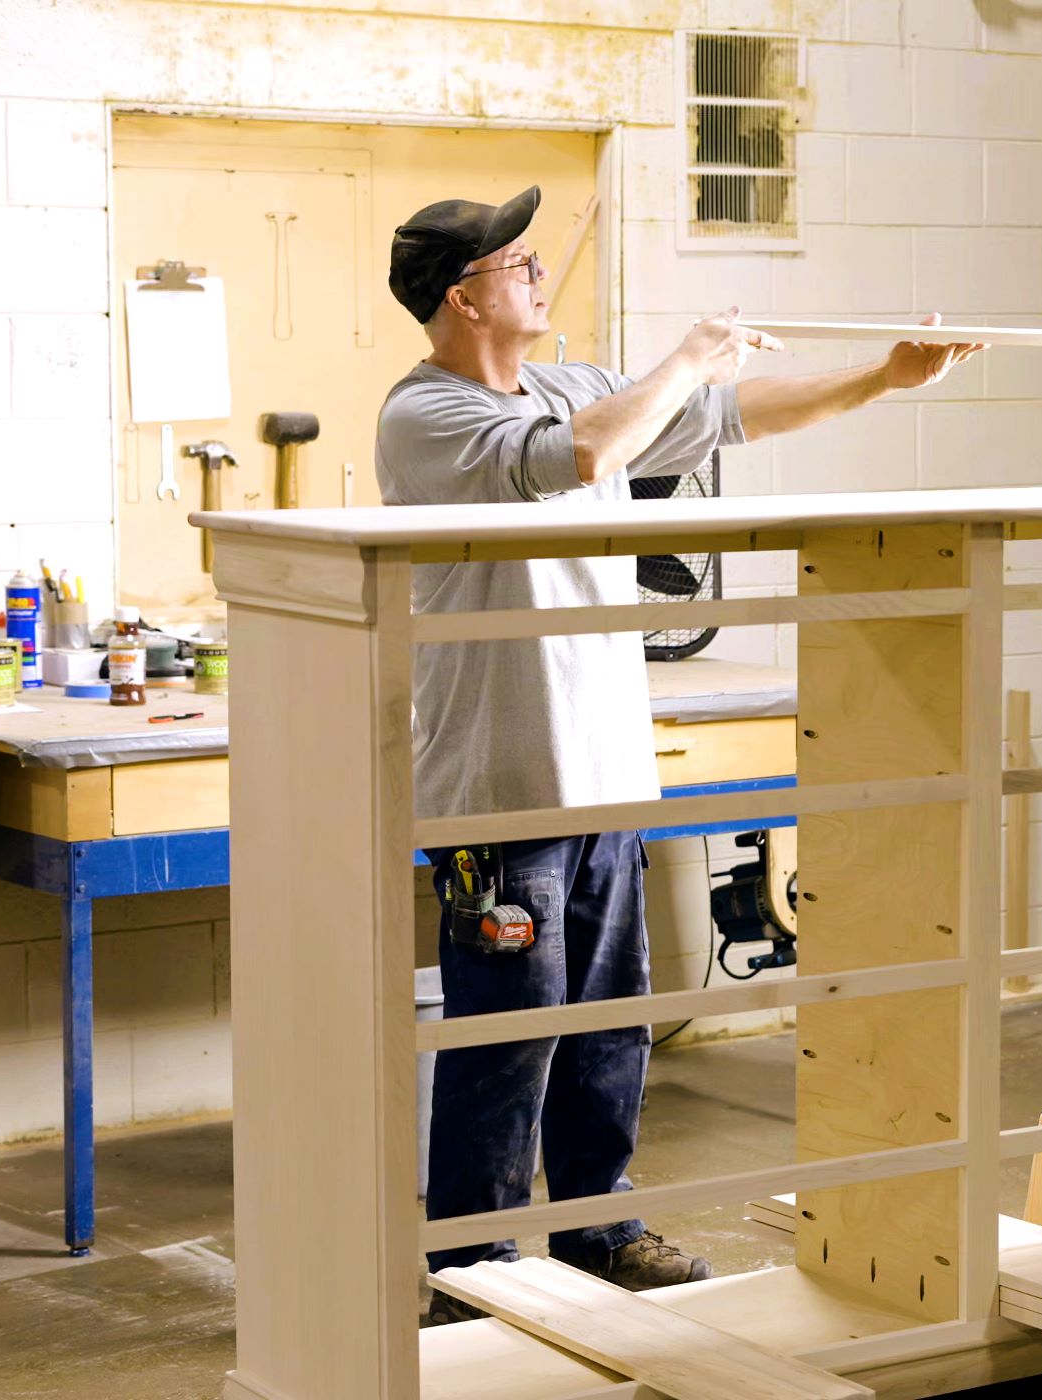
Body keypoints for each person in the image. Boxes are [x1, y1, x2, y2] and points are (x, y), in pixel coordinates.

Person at [376, 185, 983, 1318]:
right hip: (498, 790)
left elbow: (738, 414)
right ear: (463, 298)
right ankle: (469, 1266)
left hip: (604, 773)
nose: (539, 273)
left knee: (611, 1018)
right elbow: (588, 454)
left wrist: (880, 379)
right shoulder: (428, 416)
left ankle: (594, 1226)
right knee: (509, 1032)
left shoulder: (566, 381)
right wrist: (687, 356)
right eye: (516, 265)